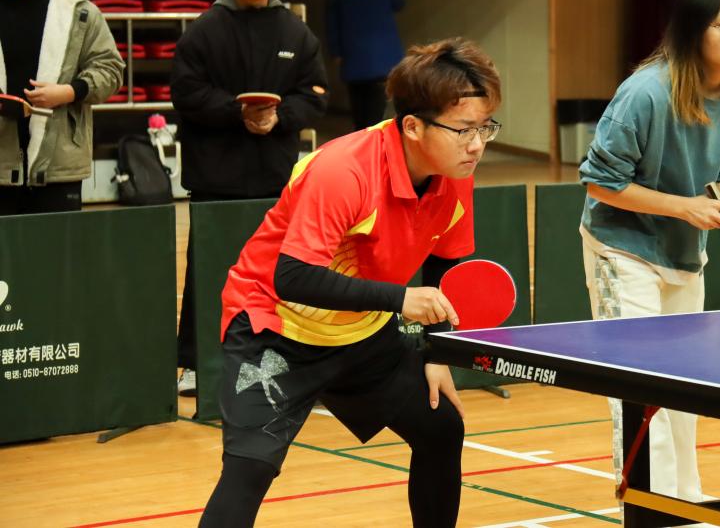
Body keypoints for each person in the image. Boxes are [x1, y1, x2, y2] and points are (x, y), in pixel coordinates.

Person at [197, 37, 501, 527]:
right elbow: (292, 276)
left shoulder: (455, 170)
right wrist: (401, 300)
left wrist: (437, 351)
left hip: (358, 332)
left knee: (441, 427)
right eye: (464, 129)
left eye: (485, 127)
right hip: (274, 329)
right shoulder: (343, 170)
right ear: (413, 126)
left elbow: (445, 261)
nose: (477, 145)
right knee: (250, 469)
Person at [579, 0, 720, 505]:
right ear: (691, 30)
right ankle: (649, 506)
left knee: (685, 382)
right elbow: (600, 182)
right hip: (621, 247)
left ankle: (688, 498)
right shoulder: (645, 93)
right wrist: (685, 207)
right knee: (638, 385)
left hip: (685, 253)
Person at [171, 0, 328, 394]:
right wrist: (235, 113)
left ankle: (279, 360)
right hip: (213, 176)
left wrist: (281, 117)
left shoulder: (296, 32)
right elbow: (185, 92)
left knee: (277, 271)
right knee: (207, 271)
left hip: (274, 176)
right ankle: (196, 364)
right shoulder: (204, 30)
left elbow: (315, 94)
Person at [0, 0, 123, 215]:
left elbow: (110, 69)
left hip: (59, 162)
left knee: (57, 246)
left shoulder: (78, 10)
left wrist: (70, 92)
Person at [325, 0, 405, 130]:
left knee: (359, 109)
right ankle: (375, 139)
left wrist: (336, 51)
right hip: (383, 57)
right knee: (378, 108)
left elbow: (331, 20)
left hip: (353, 55)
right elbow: (399, 2)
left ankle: (361, 136)